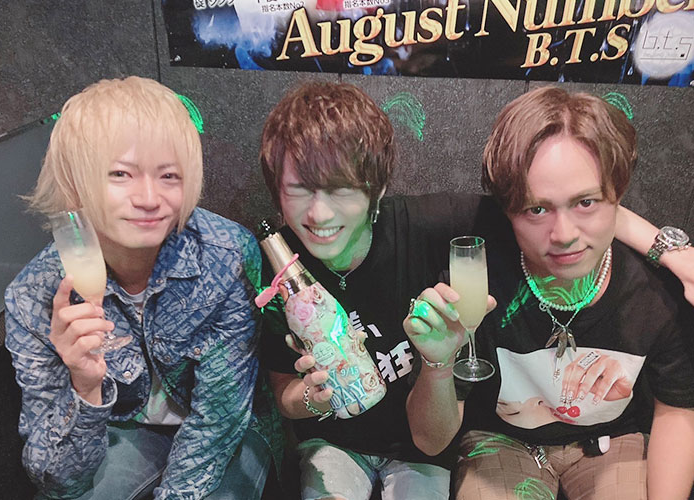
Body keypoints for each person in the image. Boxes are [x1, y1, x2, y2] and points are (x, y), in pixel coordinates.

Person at [257, 81, 691, 500]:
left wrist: (671, 252)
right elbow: (284, 393)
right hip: (378, 443)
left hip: (465, 451)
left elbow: (562, 199)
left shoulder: (434, 227)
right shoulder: (277, 267)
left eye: (340, 189)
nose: (320, 213)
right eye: (300, 189)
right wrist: (316, 398)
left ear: (377, 189)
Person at [404, 87, 694, 499]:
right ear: (509, 211)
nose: (564, 234)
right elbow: (429, 442)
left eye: (586, 202)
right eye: (537, 209)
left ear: (618, 195)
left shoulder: (656, 291)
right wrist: (437, 363)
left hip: (612, 442)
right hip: (501, 440)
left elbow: (678, 410)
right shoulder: (477, 280)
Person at [5, 76, 281, 500]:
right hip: (124, 430)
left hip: (228, 432)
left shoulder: (225, 255)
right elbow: (58, 480)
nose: (149, 198)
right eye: (121, 174)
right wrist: (85, 387)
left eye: (169, 175)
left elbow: (218, 419)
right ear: (75, 182)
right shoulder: (36, 294)